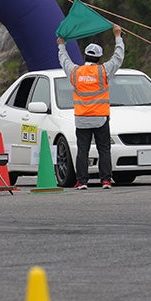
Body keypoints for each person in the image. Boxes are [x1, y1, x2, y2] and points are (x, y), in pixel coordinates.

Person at [57, 25, 124, 190]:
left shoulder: (75, 72)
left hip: (82, 119)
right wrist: (118, 36)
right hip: (101, 118)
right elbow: (118, 57)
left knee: (82, 151)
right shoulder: (103, 71)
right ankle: (106, 180)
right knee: (104, 150)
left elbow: (64, 60)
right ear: (99, 58)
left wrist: (61, 45)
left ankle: (82, 181)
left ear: (85, 56)